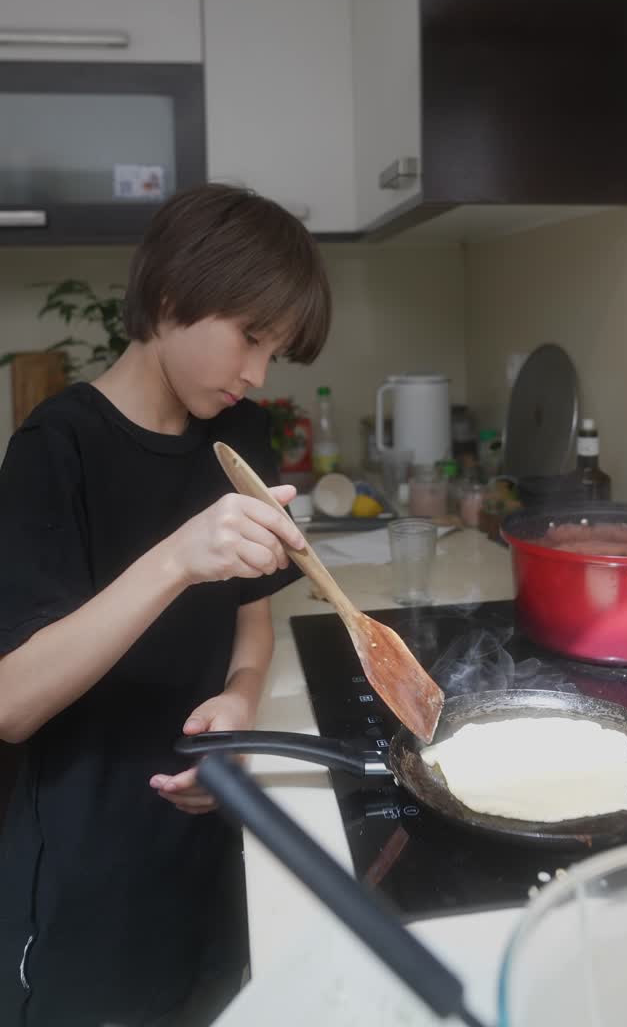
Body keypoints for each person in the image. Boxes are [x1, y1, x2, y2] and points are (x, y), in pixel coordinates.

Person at [0, 184, 331, 1027]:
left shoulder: (240, 434)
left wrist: (242, 702)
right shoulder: (54, 447)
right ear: (174, 297)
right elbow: (11, 703)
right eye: (250, 339)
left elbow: (251, 609)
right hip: (90, 863)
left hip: (211, 837)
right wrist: (180, 557)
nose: (257, 373)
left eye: (275, 351)